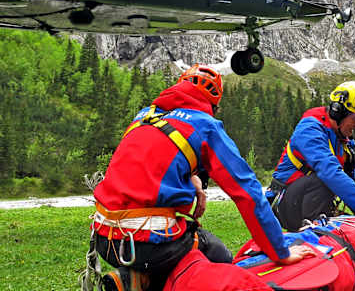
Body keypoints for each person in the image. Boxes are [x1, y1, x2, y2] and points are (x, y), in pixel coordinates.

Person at [90, 64, 315, 291]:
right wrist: (280, 252)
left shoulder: (143, 117)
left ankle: (135, 278)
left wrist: (195, 182)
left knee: (177, 245)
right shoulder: (205, 125)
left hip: (104, 239)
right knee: (215, 253)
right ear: (212, 105)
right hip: (147, 245)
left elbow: (148, 168)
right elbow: (248, 192)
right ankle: (150, 281)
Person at [266, 81, 355, 231]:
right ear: (338, 112)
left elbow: (351, 181)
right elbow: (330, 172)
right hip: (285, 202)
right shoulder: (309, 130)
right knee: (327, 179)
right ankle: (313, 227)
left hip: (307, 199)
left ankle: (323, 222)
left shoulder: (344, 140)